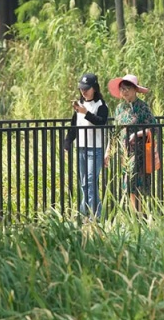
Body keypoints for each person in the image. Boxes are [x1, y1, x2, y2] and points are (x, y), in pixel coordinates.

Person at [106, 73, 157, 213]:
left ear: (135, 89)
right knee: (128, 185)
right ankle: (135, 216)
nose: (125, 91)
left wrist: (137, 134)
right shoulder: (119, 108)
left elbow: (154, 128)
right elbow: (115, 132)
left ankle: (138, 215)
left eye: (128, 88)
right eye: (122, 88)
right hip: (125, 153)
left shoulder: (143, 107)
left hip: (139, 152)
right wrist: (108, 151)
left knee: (136, 185)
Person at [64, 73, 109, 219]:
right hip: (81, 148)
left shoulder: (101, 105)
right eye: (81, 88)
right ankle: (92, 214)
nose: (83, 91)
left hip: (95, 149)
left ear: (94, 88)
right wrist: (67, 142)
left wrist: (86, 113)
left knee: (90, 181)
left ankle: (91, 216)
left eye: (86, 89)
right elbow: (74, 126)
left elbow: (101, 122)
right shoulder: (79, 104)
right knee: (84, 183)